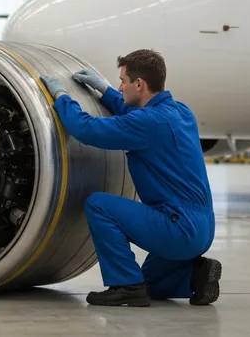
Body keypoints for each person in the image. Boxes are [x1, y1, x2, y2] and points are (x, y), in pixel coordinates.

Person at [39, 49, 221, 308]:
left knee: (98, 205)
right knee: (148, 284)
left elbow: (86, 129)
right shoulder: (181, 111)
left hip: (177, 228)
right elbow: (134, 116)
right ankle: (194, 276)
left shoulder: (147, 123)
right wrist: (103, 90)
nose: (119, 86)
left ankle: (125, 286)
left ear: (139, 84)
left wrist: (61, 96)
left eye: (123, 81)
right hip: (203, 229)